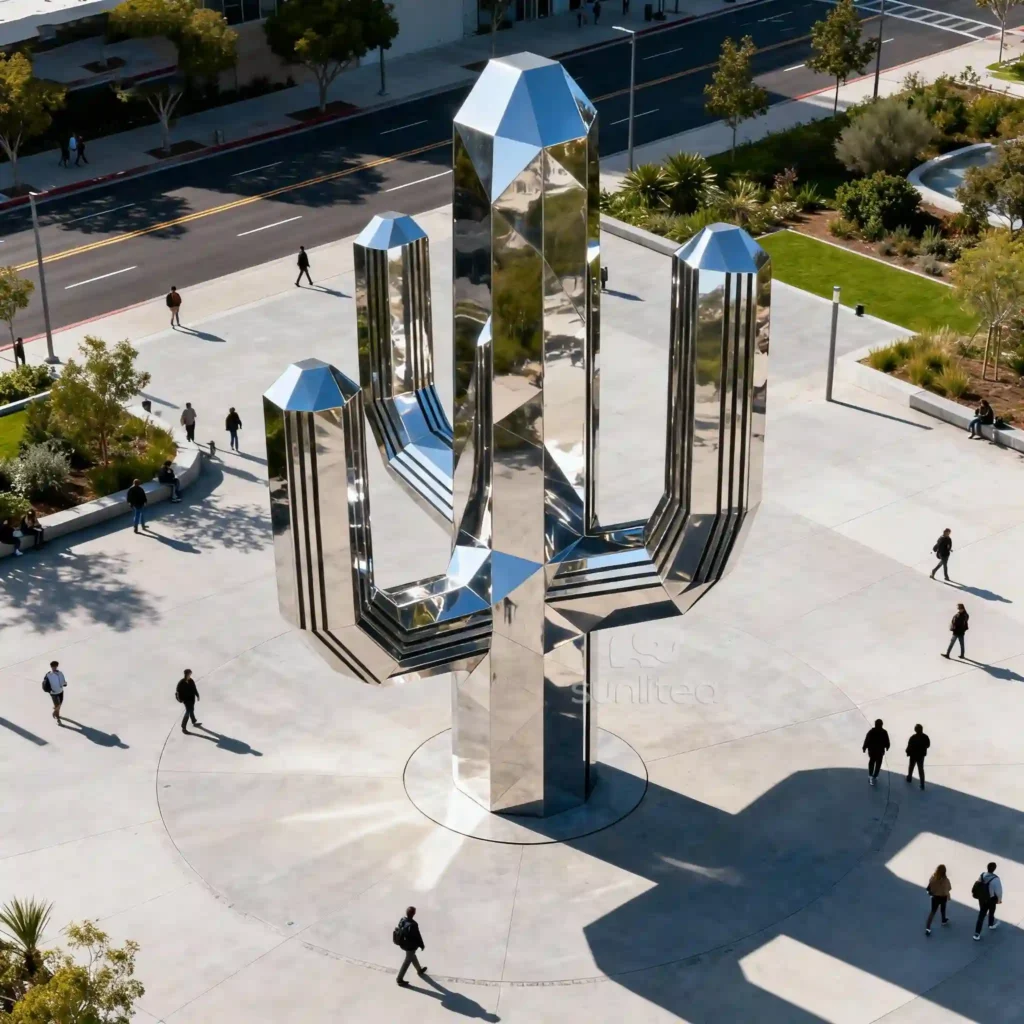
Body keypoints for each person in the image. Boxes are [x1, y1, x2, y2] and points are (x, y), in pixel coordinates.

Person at [394, 906, 427, 985]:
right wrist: (421, 945)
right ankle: (399, 979)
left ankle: (419, 970)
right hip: (410, 946)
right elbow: (417, 936)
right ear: (413, 914)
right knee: (407, 961)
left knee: (412, 956)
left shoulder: (403, 919)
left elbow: (400, 927)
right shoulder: (413, 924)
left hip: (403, 943)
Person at [972, 862, 1003, 939]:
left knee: (981, 915)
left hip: (982, 898)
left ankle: (977, 934)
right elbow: (999, 891)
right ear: (994, 869)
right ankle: (991, 924)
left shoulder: (982, 875)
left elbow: (977, 885)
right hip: (991, 899)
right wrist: (999, 900)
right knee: (992, 911)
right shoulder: (996, 879)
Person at [924, 864, 951, 935]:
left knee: (933, 911)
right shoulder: (945, 880)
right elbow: (949, 888)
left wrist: (931, 894)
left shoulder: (933, 878)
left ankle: (928, 928)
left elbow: (928, 888)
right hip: (943, 897)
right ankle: (943, 920)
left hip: (935, 898)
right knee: (943, 908)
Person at [862, 718, 889, 787]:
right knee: (878, 763)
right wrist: (887, 746)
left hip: (872, 751)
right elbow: (887, 741)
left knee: (872, 762)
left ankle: (871, 775)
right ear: (881, 725)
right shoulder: (884, 732)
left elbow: (867, 740)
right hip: (880, 751)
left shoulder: (871, 732)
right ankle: (875, 775)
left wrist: (864, 747)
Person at [175, 669, 201, 734]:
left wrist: (197, 695)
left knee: (191, 709)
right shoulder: (181, 682)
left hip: (192, 699)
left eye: (190, 674)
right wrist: (180, 699)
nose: (190, 675)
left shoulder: (191, 681)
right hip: (186, 700)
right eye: (189, 674)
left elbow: (194, 689)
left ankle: (193, 721)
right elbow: (177, 692)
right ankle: (183, 727)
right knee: (188, 711)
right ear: (186, 674)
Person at [906, 723, 930, 790]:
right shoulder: (925, 737)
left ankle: (909, 778)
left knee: (911, 767)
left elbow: (909, 745)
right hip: (921, 755)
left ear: (915, 730)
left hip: (913, 755)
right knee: (920, 769)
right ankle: (922, 784)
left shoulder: (913, 737)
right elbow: (928, 745)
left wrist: (908, 751)